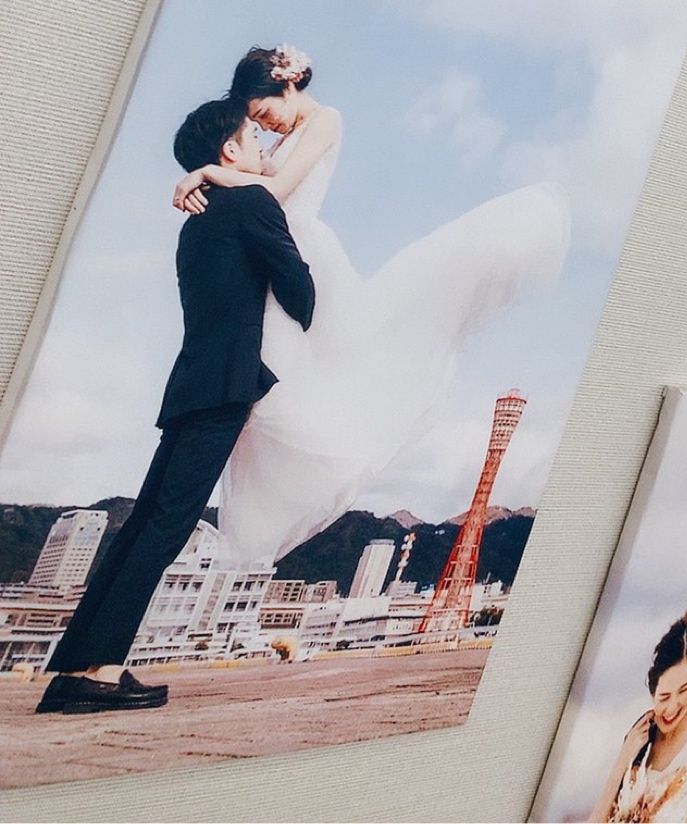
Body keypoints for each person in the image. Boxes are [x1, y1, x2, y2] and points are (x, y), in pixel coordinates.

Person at [172, 44, 571, 567]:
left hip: (301, 248)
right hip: (273, 245)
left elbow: (277, 188)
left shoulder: (325, 120)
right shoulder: (286, 135)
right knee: (274, 379)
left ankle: (311, 443)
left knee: (300, 372)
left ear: (287, 84)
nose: (265, 127)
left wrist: (205, 173)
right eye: (257, 123)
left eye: (265, 113)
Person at [36, 100, 315, 714]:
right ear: (230, 151)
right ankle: (100, 673)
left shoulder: (198, 219)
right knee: (164, 530)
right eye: (251, 135)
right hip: (226, 387)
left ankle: (76, 669)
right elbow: (299, 291)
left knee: (143, 525)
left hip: (190, 385)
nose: (261, 143)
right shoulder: (251, 203)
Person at [590, 608, 687, 823]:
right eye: (664, 697)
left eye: (684, 690)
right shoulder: (640, 739)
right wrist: (622, 761)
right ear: (653, 691)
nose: (672, 707)